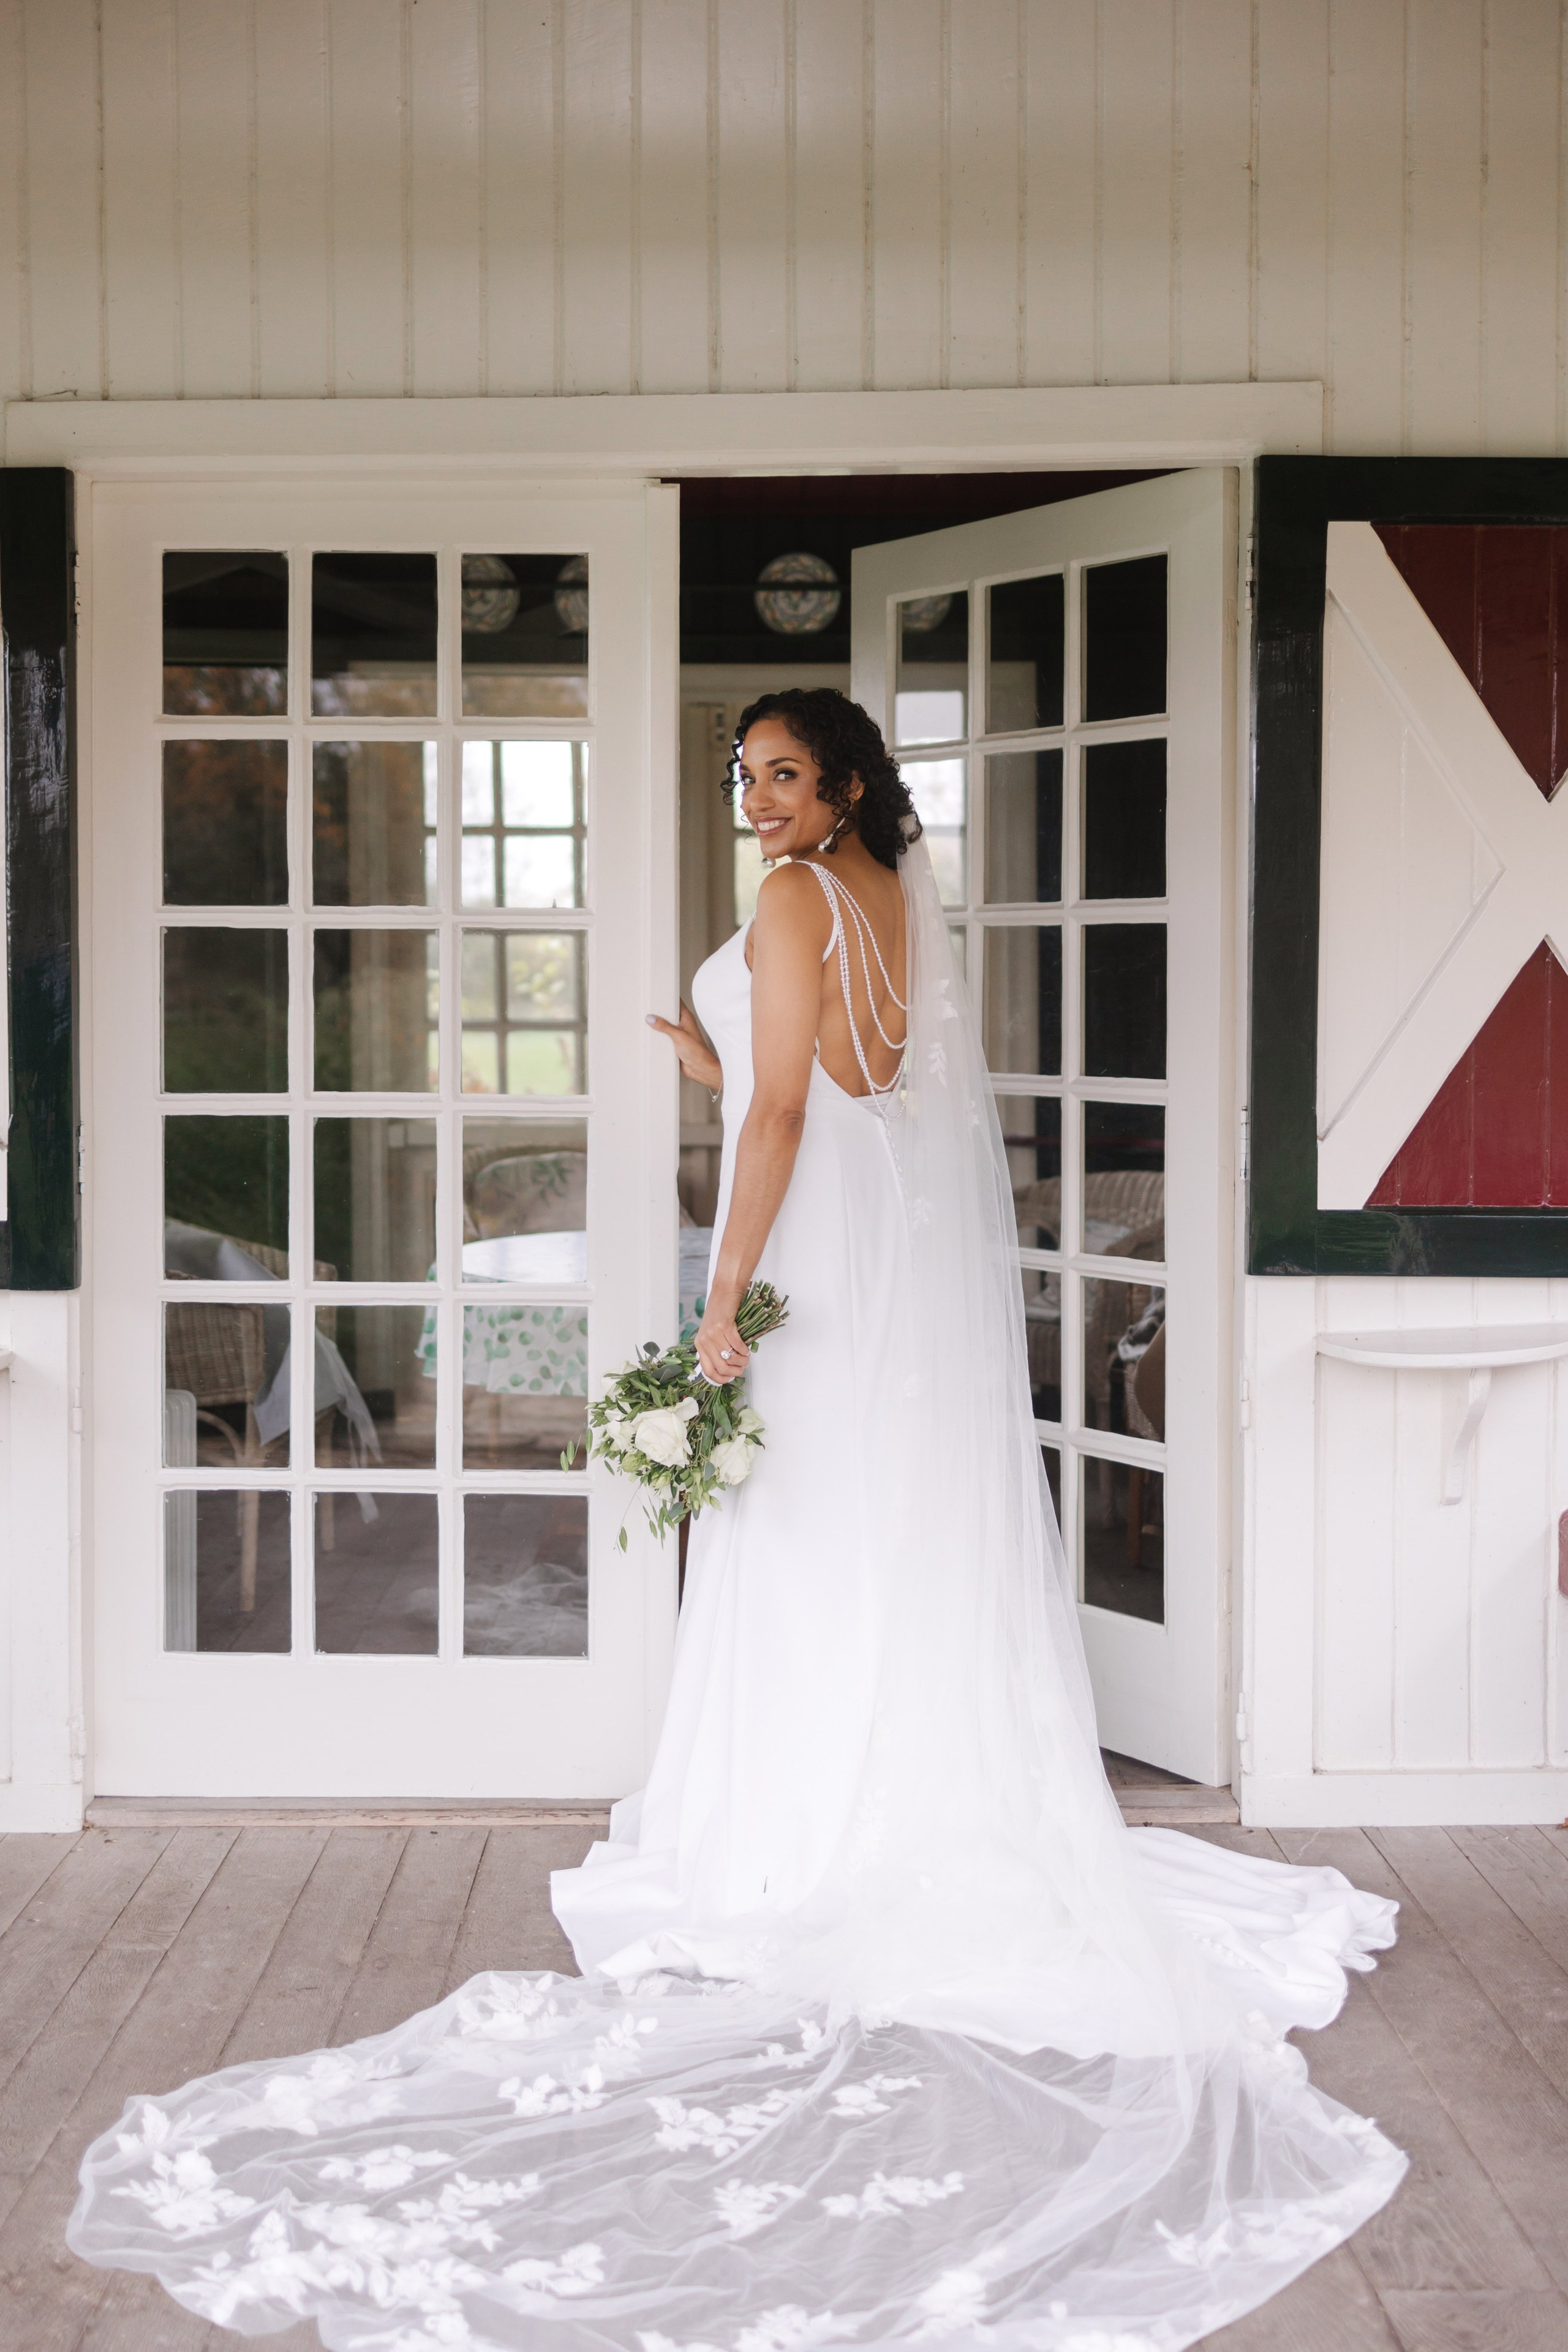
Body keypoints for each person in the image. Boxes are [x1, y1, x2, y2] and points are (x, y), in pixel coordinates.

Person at [68, 690, 1404, 2351]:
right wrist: (720, 1064)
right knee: (861, 1531)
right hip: (881, 1260)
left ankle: (802, 1834)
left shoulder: (794, 895)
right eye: (744, 775)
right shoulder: (898, 897)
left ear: (845, 786)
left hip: (814, 1262)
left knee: (803, 1528)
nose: (756, 799)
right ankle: (886, 1793)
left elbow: (787, 1114)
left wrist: (725, 1290)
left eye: (784, 775)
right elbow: (860, 1078)